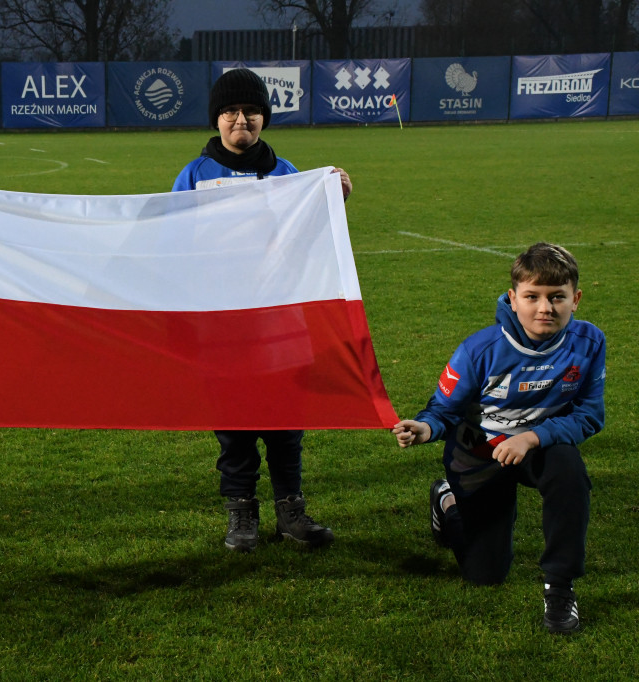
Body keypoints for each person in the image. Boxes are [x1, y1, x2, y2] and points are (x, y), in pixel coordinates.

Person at [171, 68, 352, 553]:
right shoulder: (193, 175)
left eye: (250, 111)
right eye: (230, 112)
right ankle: (241, 514)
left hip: (279, 321)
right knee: (234, 427)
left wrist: (334, 200)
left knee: (285, 424)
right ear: (217, 119)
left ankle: (291, 511)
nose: (240, 120)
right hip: (222, 325)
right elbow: (170, 243)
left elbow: (311, 236)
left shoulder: (287, 173)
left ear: (263, 118)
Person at [392, 242, 605, 634]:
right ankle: (447, 502)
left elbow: (590, 415)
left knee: (568, 470)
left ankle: (560, 589)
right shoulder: (480, 349)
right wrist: (425, 428)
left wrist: (533, 437)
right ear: (513, 298)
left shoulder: (589, 342)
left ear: (575, 299)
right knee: (484, 574)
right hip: (477, 454)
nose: (546, 308)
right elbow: (443, 410)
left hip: (537, 448)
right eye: (533, 297)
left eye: (557, 297)